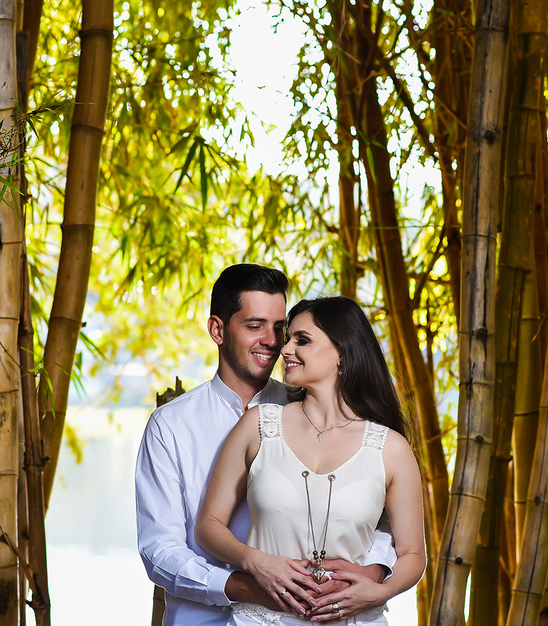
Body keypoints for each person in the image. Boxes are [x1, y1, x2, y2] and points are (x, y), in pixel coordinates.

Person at [136, 266, 395, 626]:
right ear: (218, 330)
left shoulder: (315, 408)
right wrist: (246, 585)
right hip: (202, 619)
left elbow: (375, 507)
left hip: (312, 615)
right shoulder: (171, 426)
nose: (272, 341)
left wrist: (373, 570)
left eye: (280, 328)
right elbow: (159, 550)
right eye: (254, 326)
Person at [195, 296, 425, 625]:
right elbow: (208, 526)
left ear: (342, 354)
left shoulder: (391, 448)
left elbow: (413, 554)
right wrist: (255, 560)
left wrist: (381, 591)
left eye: (301, 340)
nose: (284, 349)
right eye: (288, 339)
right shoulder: (257, 425)